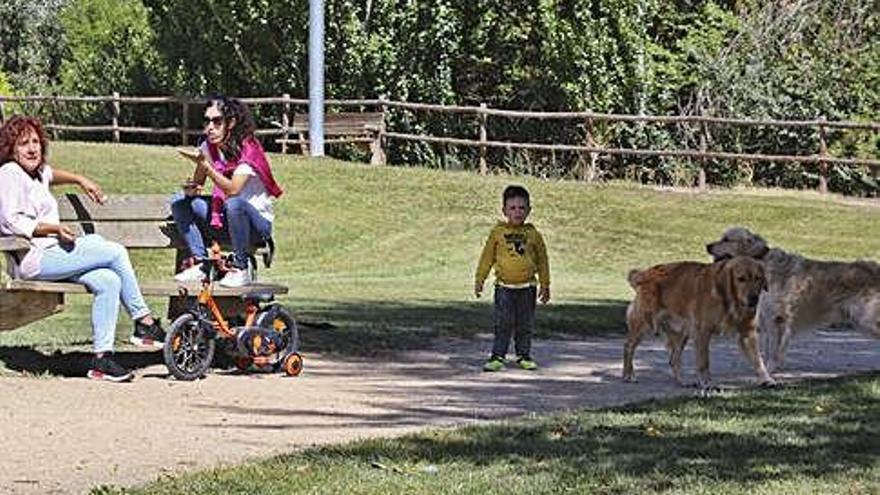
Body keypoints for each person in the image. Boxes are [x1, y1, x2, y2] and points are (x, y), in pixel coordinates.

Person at [0, 115, 165, 382]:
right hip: (35, 259)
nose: (31, 149)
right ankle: (144, 322)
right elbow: (11, 221)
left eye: (35, 142)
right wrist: (52, 228)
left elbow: (52, 174)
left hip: (55, 255)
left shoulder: (38, 172)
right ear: (11, 148)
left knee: (108, 281)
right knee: (114, 251)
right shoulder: (9, 173)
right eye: (23, 144)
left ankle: (102, 360)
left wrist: (80, 179)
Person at [171, 96, 283, 287]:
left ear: (230, 123)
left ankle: (241, 267)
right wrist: (191, 189)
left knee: (234, 203)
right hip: (225, 220)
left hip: (256, 227)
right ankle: (201, 264)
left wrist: (205, 166)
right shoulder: (208, 146)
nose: (210, 127)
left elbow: (233, 189)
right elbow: (199, 183)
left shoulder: (249, 149)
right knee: (180, 203)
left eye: (217, 121)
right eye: (207, 121)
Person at [474, 185, 551, 372]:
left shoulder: (533, 235)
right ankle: (497, 356)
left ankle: (523, 355)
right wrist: (480, 279)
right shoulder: (498, 233)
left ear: (529, 210)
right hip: (504, 288)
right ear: (504, 210)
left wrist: (545, 284)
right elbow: (487, 257)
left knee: (525, 324)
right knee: (503, 323)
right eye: (513, 208)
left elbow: (542, 260)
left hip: (527, 288)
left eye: (522, 208)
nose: (517, 212)